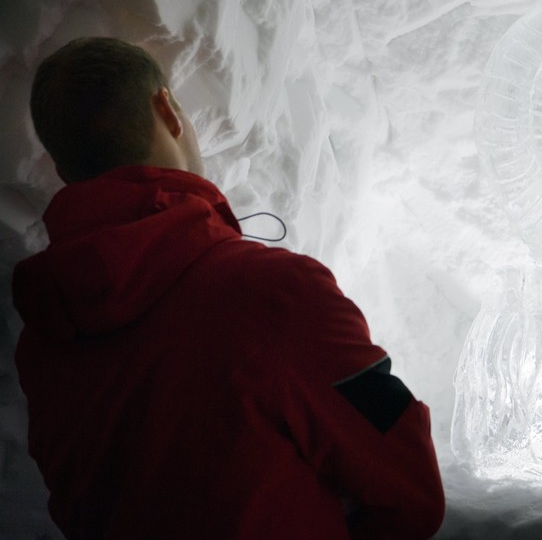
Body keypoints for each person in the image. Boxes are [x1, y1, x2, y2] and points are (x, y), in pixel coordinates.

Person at [13, 37, 445, 539]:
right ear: (167, 110)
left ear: (64, 171)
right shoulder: (279, 293)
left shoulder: (43, 341)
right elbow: (411, 492)